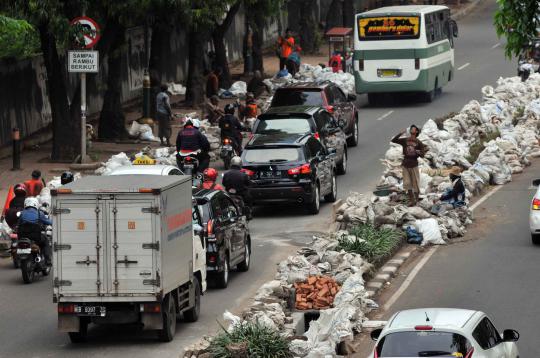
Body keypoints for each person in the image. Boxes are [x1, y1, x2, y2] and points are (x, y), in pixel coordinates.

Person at [391, 125, 427, 206]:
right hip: (405, 164)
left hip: (414, 164)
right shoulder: (405, 140)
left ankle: (416, 200)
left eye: (414, 128)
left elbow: (423, 154)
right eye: (411, 128)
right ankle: (411, 200)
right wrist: (401, 133)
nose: (412, 129)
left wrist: (419, 153)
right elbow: (394, 140)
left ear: (417, 131)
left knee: (415, 183)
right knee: (407, 183)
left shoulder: (419, 142)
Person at [18, 197, 53, 266]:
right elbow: (48, 222)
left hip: (22, 237)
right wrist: (54, 222)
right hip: (35, 237)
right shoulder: (39, 213)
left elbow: (18, 224)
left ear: (25, 204)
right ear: (36, 204)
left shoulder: (22, 213)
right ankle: (48, 260)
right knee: (45, 241)